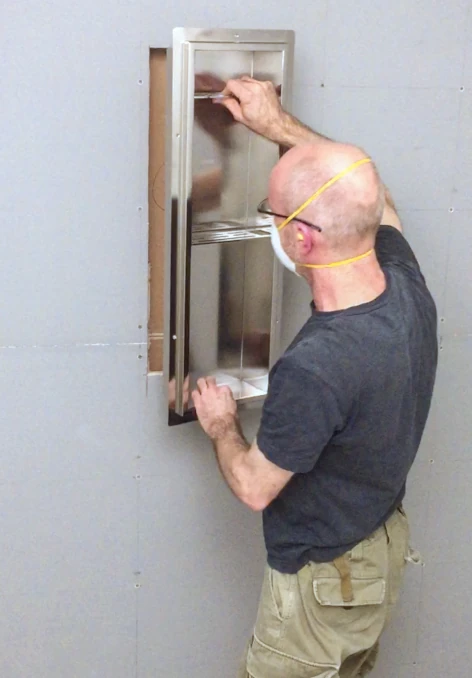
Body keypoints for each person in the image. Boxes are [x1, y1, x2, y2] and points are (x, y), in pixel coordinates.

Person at [191, 77, 438, 678]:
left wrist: (222, 426)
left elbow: (254, 488)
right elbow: (380, 204)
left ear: (299, 236)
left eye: (271, 213)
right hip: (377, 556)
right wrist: (277, 127)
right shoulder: (407, 289)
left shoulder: (316, 367)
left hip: (325, 585)